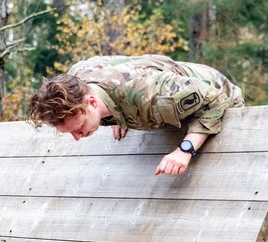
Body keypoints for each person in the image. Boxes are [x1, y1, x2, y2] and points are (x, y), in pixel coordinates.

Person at [29, 54, 244, 176]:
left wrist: (184, 150)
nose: (77, 137)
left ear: (92, 102)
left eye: (79, 128)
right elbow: (87, 65)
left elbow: (215, 99)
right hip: (160, 96)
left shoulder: (148, 94)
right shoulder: (79, 81)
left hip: (218, 96)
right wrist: (116, 113)